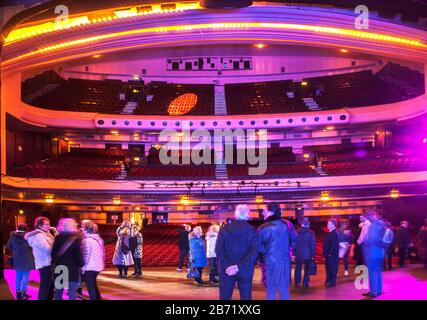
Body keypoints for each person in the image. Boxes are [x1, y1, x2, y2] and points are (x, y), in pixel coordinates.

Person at [215, 204, 259, 300]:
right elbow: (254, 252)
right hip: (245, 270)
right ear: (247, 215)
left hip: (226, 270)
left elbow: (218, 250)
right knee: (246, 297)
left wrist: (229, 266)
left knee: (225, 297)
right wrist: (239, 266)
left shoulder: (224, 229)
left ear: (235, 214)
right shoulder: (251, 230)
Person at [258, 203, 296, 300]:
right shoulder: (288, 224)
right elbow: (295, 241)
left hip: (269, 263)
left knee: (271, 289)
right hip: (284, 262)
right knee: (283, 289)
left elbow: (258, 248)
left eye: (264, 210)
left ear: (271, 211)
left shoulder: (263, 228)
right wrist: (290, 253)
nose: (262, 213)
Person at [51, 218, 84, 300]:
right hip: (72, 269)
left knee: (58, 291)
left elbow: (53, 254)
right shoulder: (75, 239)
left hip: (60, 267)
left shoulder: (57, 238)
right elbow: (78, 255)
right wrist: (81, 264)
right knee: (72, 292)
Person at [25, 216, 57, 300]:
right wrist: (56, 247)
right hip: (44, 263)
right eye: (46, 224)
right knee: (45, 286)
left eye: (49, 224)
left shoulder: (47, 234)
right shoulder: (38, 236)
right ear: (40, 226)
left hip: (49, 263)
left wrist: (56, 234)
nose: (49, 226)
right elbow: (47, 249)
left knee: (50, 286)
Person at [360, 210, 386, 298]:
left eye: (368, 216)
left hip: (372, 252)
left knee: (372, 272)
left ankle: (374, 291)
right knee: (377, 271)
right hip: (378, 251)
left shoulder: (375, 225)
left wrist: (364, 242)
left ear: (373, 215)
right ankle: (378, 290)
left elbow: (372, 240)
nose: (367, 218)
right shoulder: (380, 224)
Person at [7, 223, 35, 300]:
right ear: (26, 229)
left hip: (17, 259)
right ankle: (23, 293)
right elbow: (33, 245)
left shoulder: (12, 236)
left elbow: (8, 246)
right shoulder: (28, 236)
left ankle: (18, 292)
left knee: (18, 276)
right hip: (27, 259)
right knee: (25, 276)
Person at [81, 220, 105, 300]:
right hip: (97, 267)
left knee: (91, 289)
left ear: (85, 230)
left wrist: (82, 269)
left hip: (89, 268)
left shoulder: (86, 241)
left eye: (83, 228)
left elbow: (85, 256)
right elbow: (102, 253)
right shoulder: (99, 239)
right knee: (94, 286)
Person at [294, 217, 316, 288]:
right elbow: (313, 244)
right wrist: (313, 254)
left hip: (298, 253)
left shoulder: (296, 232)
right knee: (307, 268)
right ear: (308, 225)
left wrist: (294, 254)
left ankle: (297, 282)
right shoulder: (311, 233)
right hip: (308, 253)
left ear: (302, 224)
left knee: (298, 268)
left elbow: (294, 244)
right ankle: (305, 283)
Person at [323, 219, 339, 287]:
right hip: (330, 254)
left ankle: (331, 281)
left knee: (332, 268)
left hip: (331, 255)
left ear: (333, 225)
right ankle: (329, 280)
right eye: (327, 224)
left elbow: (334, 245)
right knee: (329, 268)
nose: (327, 225)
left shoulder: (334, 233)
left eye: (329, 224)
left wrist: (329, 253)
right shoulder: (331, 232)